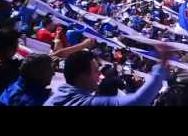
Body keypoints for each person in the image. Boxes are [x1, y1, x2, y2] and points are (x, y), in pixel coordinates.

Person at [44, 44, 172, 106]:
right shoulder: (83, 103)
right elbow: (138, 101)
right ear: (82, 76)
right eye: (95, 71)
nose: (99, 74)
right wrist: (162, 65)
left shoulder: (54, 99)